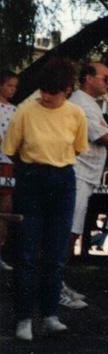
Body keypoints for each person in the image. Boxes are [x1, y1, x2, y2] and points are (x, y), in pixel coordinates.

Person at [2, 58, 89, 341]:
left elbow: (76, 149)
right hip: (31, 180)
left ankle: (51, 314)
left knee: (55, 252)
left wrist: (54, 165)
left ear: (66, 90)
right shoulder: (25, 112)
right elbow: (12, 150)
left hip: (63, 181)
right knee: (27, 253)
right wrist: (33, 169)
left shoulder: (76, 114)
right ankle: (24, 318)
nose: (47, 97)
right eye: (44, 91)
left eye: (54, 92)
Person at [65, 62, 108, 309]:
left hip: (87, 175)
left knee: (72, 232)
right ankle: (54, 287)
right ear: (87, 78)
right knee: (68, 233)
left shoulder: (91, 104)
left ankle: (58, 282)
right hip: (77, 174)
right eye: (104, 78)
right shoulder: (80, 103)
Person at [0, 70, 19, 271]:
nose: (12, 90)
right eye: (9, 85)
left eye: (15, 86)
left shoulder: (15, 110)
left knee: (5, 207)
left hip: (9, 164)